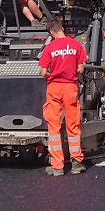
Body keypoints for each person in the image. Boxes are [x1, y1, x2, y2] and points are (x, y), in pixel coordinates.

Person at [38, 19, 88, 175]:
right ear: (62, 29)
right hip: (70, 88)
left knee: (54, 127)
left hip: (54, 88)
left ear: (51, 33)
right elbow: (80, 68)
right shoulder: (76, 45)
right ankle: (76, 163)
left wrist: (52, 74)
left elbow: (42, 72)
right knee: (72, 125)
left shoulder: (49, 48)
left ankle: (57, 166)